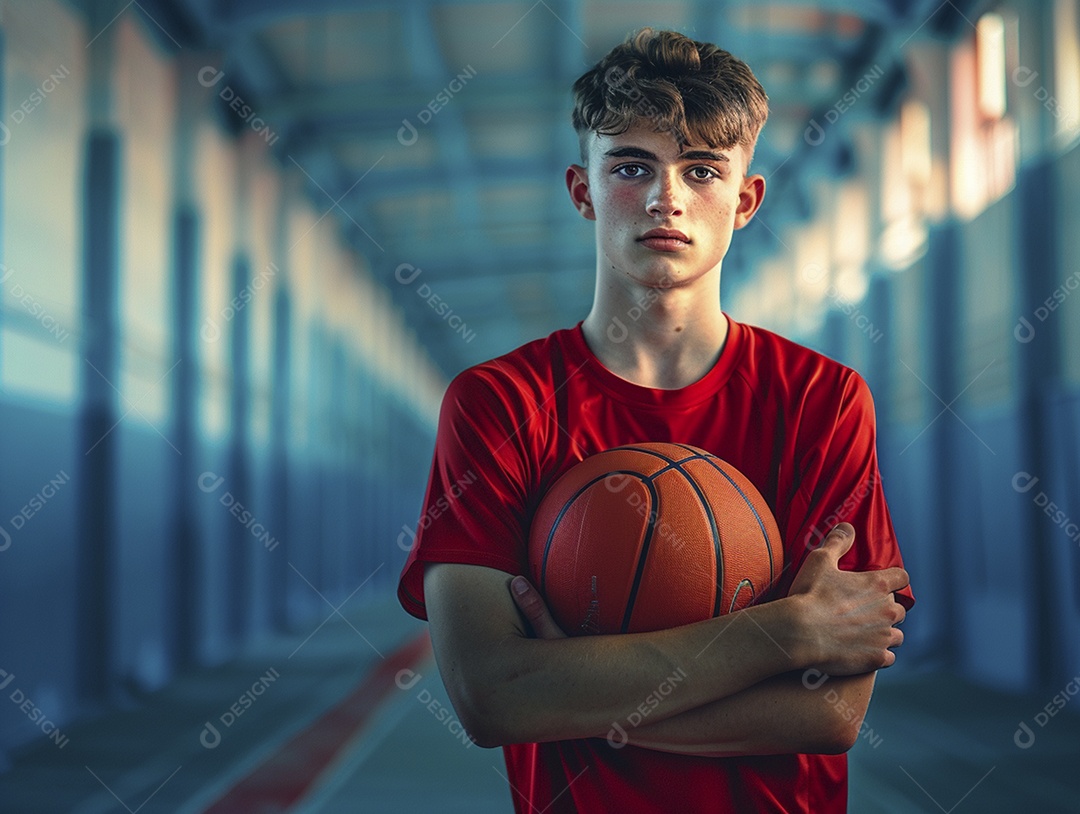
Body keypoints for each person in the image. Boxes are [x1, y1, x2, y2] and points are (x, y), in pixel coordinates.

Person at [397, 27, 913, 813]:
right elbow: (491, 698)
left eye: (701, 170)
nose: (666, 198)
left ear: (745, 201)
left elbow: (830, 713)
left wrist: (568, 687)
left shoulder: (823, 399)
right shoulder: (498, 404)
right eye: (631, 167)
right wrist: (778, 635)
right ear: (583, 191)